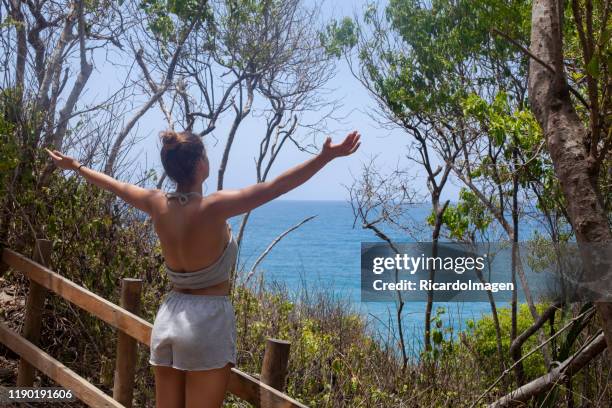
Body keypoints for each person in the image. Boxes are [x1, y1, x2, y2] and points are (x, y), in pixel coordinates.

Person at [45, 129, 360, 407]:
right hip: (207, 320)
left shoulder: (156, 203)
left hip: (169, 317)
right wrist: (324, 158)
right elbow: (277, 186)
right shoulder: (214, 207)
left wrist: (77, 167)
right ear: (199, 165)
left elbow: (115, 185)